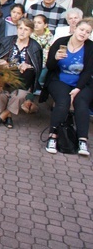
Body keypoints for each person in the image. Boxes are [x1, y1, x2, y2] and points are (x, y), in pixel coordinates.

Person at [44, 18, 93, 156]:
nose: (84, 33)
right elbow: (50, 66)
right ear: (75, 28)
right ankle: (52, 136)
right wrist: (55, 58)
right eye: (82, 29)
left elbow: (88, 71)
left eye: (87, 32)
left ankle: (82, 140)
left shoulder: (90, 47)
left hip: (82, 83)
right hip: (60, 80)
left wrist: (77, 89)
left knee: (82, 103)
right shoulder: (60, 42)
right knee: (63, 101)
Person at [0, 17, 43, 128]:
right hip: (6, 78)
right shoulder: (6, 41)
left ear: (31, 31)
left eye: (26, 29)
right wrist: (1, 61)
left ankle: (2, 116)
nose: (22, 31)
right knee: (2, 94)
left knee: (18, 95)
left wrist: (29, 66)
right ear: (17, 29)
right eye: (20, 28)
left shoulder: (35, 47)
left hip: (24, 81)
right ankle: (8, 117)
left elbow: (37, 69)